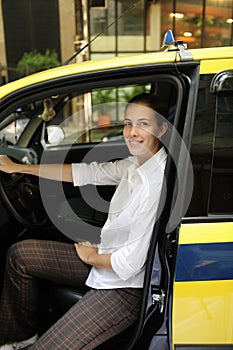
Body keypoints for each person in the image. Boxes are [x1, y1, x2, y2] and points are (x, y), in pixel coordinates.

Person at [0, 93, 168, 350]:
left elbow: (129, 264)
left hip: (125, 289)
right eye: (127, 123)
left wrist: (90, 256)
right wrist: (19, 168)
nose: (131, 132)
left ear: (162, 128)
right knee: (20, 255)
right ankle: (19, 338)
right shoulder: (135, 166)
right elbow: (84, 172)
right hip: (106, 261)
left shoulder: (156, 184)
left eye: (143, 124)